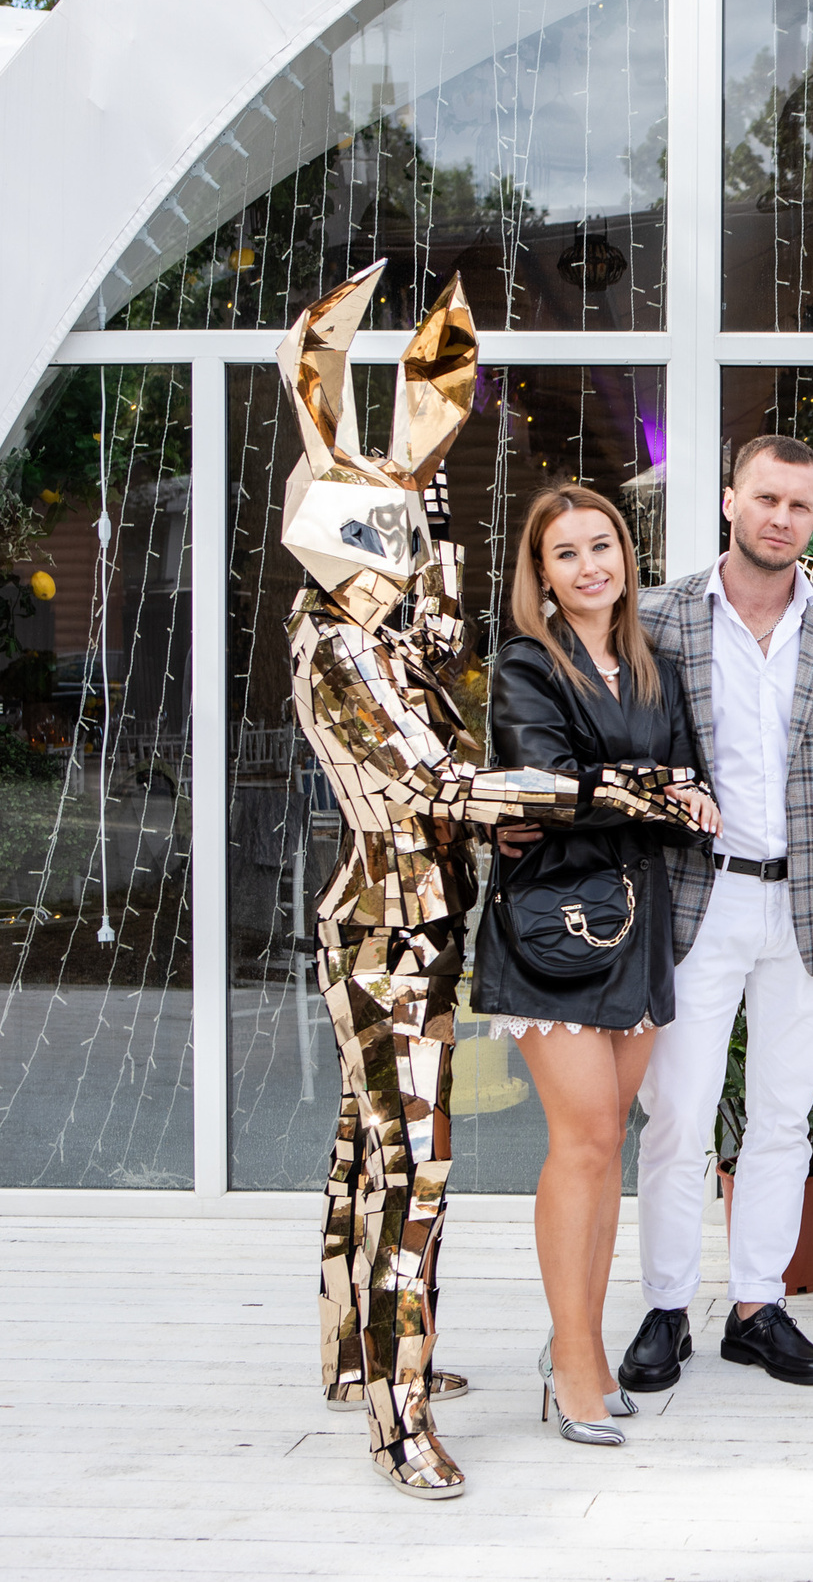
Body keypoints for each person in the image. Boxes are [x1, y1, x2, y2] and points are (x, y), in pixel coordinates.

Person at [285, 264, 698, 1500]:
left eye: (419, 520)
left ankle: (357, 1364)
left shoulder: (404, 641)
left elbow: (462, 703)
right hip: (392, 924)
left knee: (371, 1151)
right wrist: (632, 794)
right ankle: (401, 1418)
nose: (413, 548)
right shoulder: (343, 645)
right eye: (394, 520)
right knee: (411, 1169)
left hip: (462, 922)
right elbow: (451, 793)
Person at [623, 436, 813, 1395]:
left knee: (785, 1117)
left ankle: (757, 1307)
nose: (782, 517)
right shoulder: (656, 618)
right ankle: (666, 1307)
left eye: (800, 505)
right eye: (767, 498)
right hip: (697, 899)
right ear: (731, 500)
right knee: (678, 1116)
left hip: (812, 907)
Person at [479, 485, 718, 1449]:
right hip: (555, 927)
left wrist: (636, 793)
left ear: (625, 553)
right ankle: (575, 1361)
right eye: (567, 554)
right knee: (580, 1140)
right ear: (542, 574)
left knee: (609, 1141)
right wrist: (649, 797)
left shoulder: (651, 666)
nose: (590, 566)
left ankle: (582, 1343)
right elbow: (543, 788)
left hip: (642, 925)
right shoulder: (528, 665)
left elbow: (691, 782)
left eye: (603, 546)